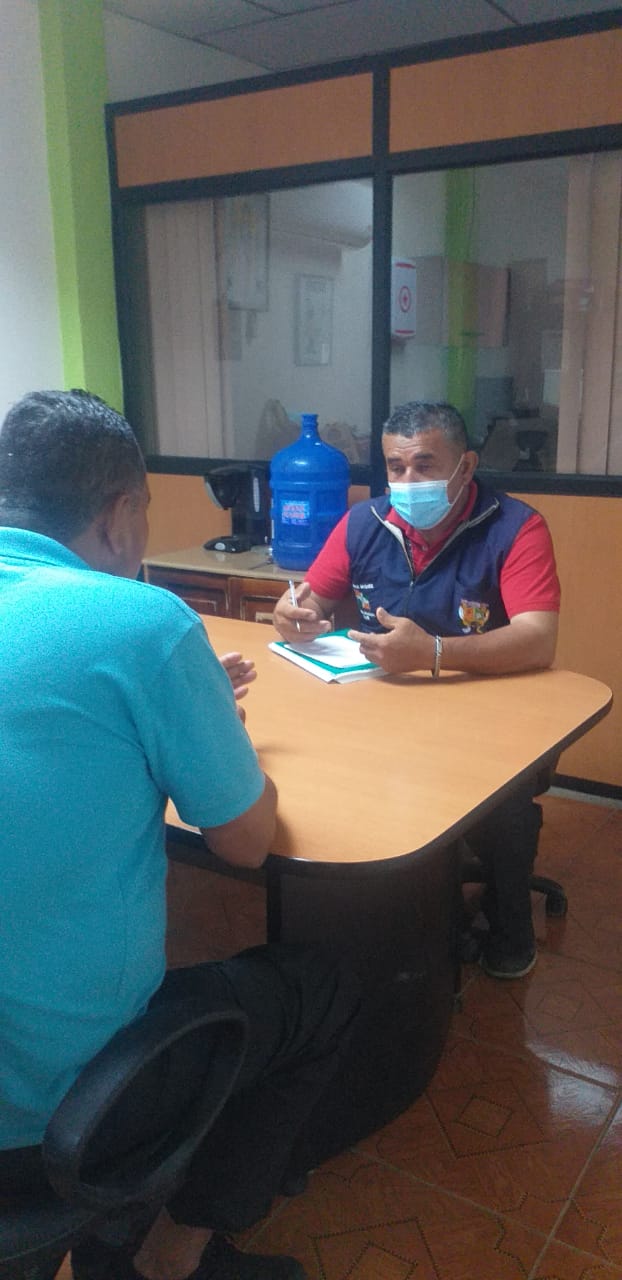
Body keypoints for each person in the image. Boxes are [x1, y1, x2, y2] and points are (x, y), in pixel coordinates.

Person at [0, 389, 360, 1280]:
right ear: (121, 513)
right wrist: (216, 731)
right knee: (320, 989)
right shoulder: (138, 621)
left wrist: (174, 709)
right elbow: (244, 840)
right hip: (50, 1113)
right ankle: (171, 1259)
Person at [273, 401, 561, 980]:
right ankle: (395, 921)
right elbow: (310, 599)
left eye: (425, 465)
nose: (407, 481)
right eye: (395, 467)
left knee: (503, 810)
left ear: (466, 465)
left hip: (491, 721)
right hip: (383, 715)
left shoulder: (515, 527)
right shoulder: (364, 523)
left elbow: (538, 638)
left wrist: (434, 654)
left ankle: (510, 925)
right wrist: (292, 615)